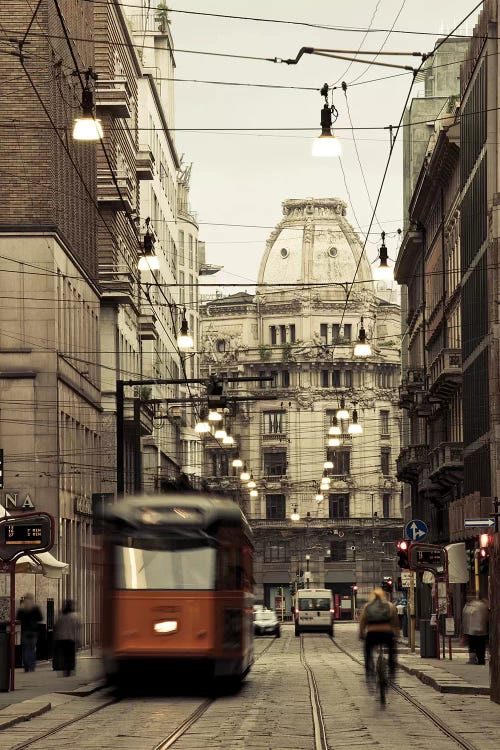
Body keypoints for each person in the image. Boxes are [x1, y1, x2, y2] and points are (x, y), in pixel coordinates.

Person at [359, 588, 400, 679]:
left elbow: (362, 622)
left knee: (367, 650)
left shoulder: (367, 606)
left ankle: (369, 670)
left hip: (372, 634)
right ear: (384, 596)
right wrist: (396, 634)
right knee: (392, 650)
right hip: (387, 633)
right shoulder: (390, 606)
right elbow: (395, 622)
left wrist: (361, 634)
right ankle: (392, 669)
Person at [53, 600, 81, 676]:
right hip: (71, 638)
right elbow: (77, 628)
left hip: (61, 639)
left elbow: (56, 628)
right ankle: (70, 669)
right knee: (71, 655)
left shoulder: (60, 616)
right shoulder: (75, 616)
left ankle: (65, 669)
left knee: (64, 655)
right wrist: (78, 639)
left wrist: (56, 638)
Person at [16, 594, 43, 672]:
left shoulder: (22, 609)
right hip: (34, 631)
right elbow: (40, 618)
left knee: (25, 649)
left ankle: (26, 665)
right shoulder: (35, 608)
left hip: (25, 631)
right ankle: (32, 665)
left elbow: (17, 618)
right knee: (32, 648)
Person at [462, 597, 489, 665]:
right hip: (482, 630)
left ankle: (473, 660)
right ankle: (481, 660)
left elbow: (466, 618)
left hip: (472, 631)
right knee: (481, 647)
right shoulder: (483, 605)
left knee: (472, 646)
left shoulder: (470, 606)